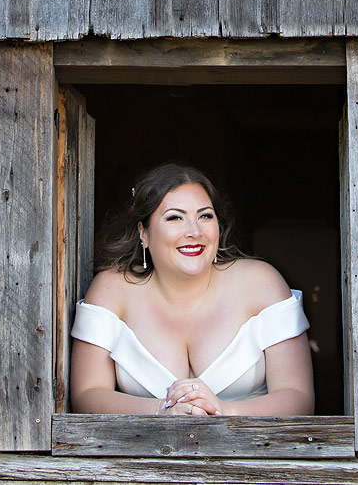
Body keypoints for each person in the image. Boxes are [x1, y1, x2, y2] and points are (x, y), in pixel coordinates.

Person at [70, 162, 315, 416]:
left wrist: (223, 410)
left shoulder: (261, 283)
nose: (194, 231)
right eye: (175, 217)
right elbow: (86, 394)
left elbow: (299, 397)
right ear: (143, 233)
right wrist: (161, 411)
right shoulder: (112, 290)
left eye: (205, 216)